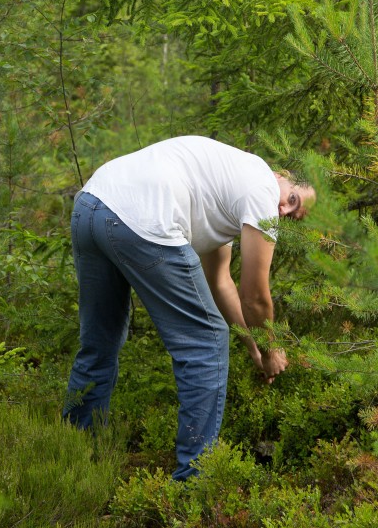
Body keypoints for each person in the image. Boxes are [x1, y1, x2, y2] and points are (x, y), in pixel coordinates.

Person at [63, 135, 316, 481]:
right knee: (207, 344)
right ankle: (193, 484)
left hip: (91, 205)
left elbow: (222, 283)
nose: (284, 211)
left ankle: (72, 458)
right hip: (140, 216)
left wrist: (254, 349)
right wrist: (274, 347)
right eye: (292, 199)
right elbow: (255, 296)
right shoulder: (260, 187)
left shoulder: (231, 186)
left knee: (100, 343)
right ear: (281, 177)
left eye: (293, 215)